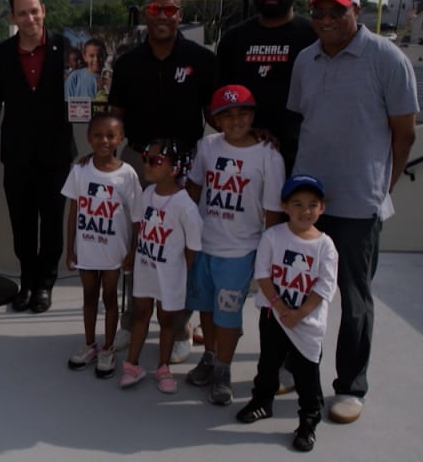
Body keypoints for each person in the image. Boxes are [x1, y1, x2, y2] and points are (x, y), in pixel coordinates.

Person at [288, 0, 418, 424]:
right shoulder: (306, 59)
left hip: (359, 205)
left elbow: (405, 135)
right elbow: (305, 119)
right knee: (302, 289)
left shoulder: (388, 58)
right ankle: (299, 368)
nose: (325, 20)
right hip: (309, 202)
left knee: (354, 297)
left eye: (336, 11)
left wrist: (383, 187)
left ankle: (350, 385)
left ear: (356, 11)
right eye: (318, 12)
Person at [107, 0, 216, 359]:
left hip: (185, 165)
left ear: (180, 16)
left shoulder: (201, 60)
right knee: (139, 242)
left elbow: (216, 118)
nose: (164, 16)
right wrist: (103, 159)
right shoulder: (126, 63)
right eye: (157, 8)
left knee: (180, 245)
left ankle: (181, 324)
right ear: (147, 13)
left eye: (171, 10)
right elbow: (115, 120)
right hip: (141, 163)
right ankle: (129, 320)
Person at [184, 84, 286, 405]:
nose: (235, 120)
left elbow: (272, 212)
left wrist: (268, 259)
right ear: (215, 119)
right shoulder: (208, 146)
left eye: (242, 113)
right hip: (203, 245)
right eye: (226, 115)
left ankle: (224, 369)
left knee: (228, 316)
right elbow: (194, 190)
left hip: (239, 252)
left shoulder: (269, 156)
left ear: (253, 115)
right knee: (207, 310)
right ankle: (211, 357)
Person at [0, 0, 77, 314]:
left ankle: (45, 285)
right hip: (18, 153)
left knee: (51, 223)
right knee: (21, 223)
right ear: (13, 17)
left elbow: (86, 94)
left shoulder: (66, 48)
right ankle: (27, 281)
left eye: (34, 11)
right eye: (22, 13)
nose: (30, 17)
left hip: (56, 152)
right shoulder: (3, 52)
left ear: (44, 11)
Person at [236, 174, 338, 453]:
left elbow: (324, 286)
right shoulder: (272, 236)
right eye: (297, 204)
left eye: (312, 204)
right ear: (284, 207)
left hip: (307, 322)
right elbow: (264, 274)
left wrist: (300, 313)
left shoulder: (325, 246)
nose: (305, 211)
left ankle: (308, 419)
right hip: (273, 316)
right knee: (268, 363)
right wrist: (280, 308)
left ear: (322, 208)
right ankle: (261, 403)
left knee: (307, 373)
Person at [216, 0, 317, 175]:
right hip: (244, 157)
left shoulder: (313, 36)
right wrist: (246, 133)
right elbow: (217, 103)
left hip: (301, 158)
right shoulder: (234, 39)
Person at [61, 113, 143, 378]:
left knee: (110, 298)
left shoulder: (127, 174)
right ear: (88, 138)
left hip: (113, 253)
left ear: (120, 138)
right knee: (88, 297)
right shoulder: (80, 170)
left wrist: (132, 250)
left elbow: (136, 217)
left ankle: (108, 348)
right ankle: (89, 345)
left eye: (110, 135)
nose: (104, 141)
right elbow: (73, 211)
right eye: (97, 135)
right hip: (86, 250)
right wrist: (69, 247)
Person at [119, 139, 202, 393]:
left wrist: (182, 273)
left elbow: (193, 246)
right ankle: (132, 364)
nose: (147, 165)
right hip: (146, 271)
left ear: (175, 168)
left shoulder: (185, 205)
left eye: (155, 161)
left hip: (170, 276)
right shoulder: (146, 194)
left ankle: (163, 367)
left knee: (167, 322)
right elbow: (139, 229)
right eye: (145, 158)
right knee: (141, 315)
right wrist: (133, 254)